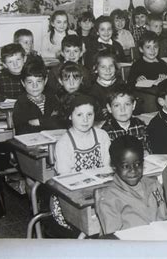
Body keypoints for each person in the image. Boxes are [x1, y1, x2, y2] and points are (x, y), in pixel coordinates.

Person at [52, 93, 111, 234]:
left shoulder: (102, 135)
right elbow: (66, 182)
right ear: (69, 116)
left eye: (89, 114)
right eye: (79, 115)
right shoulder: (64, 143)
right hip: (70, 201)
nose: (85, 120)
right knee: (98, 224)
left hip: (100, 194)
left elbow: (107, 168)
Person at [95, 135, 167, 234]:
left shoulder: (154, 185)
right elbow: (113, 239)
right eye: (125, 166)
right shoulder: (109, 198)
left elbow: (164, 219)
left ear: (143, 162)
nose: (133, 170)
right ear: (114, 166)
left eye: (137, 164)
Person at [12, 60, 63, 135]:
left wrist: (40, 122)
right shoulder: (21, 104)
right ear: (23, 83)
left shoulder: (52, 99)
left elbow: (61, 122)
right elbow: (22, 129)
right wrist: (50, 121)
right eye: (30, 82)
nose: (34, 86)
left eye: (38, 81)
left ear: (45, 81)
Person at [101, 84, 150, 154]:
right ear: (109, 108)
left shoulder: (140, 126)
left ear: (133, 105)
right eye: (117, 105)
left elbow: (147, 147)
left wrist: (146, 151)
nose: (123, 110)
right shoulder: (106, 132)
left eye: (127, 104)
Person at [89, 51, 124, 119]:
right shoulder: (93, 91)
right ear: (95, 69)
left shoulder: (121, 85)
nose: (108, 70)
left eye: (111, 66)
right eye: (103, 67)